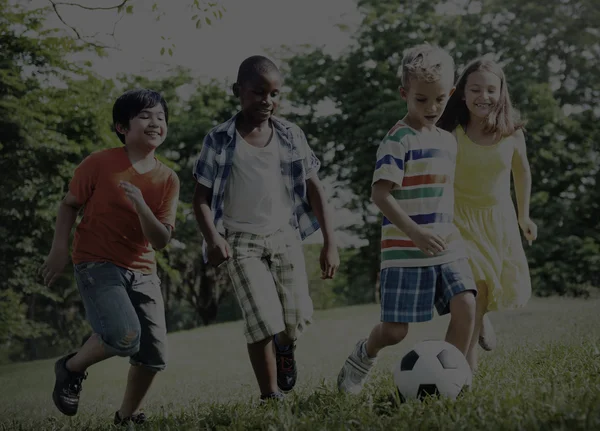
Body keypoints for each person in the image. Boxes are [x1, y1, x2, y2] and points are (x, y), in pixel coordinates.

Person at [192, 55, 340, 402]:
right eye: (259, 93)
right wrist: (213, 237)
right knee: (260, 318)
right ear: (238, 92)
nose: (267, 101)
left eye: (274, 94)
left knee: (295, 319)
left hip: (284, 235)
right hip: (240, 242)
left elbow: (315, 187)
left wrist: (330, 241)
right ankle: (270, 395)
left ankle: (285, 347)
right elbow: (200, 198)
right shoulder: (219, 139)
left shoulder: (290, 135)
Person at [337, 44, 477, 394]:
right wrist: (414, 233)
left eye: (439, 99)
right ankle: (362, 355)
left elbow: (445, 193)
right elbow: (380, 195)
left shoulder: (448, 141)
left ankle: (451, 380)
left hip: (446, 244)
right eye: (421, 100)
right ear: (405, 94)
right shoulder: (397, 140)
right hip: (405, 250)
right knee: (396, 331)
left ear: (452, 95)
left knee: (467, 305)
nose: (431, 108)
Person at [39, 89, 180, 425]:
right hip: (96, 264)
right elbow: (69, 204)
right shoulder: (100, 163)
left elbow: (160, 240)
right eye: (145, 116)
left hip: (143, 270)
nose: (155, 122)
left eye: (160, 117)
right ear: (122, 127)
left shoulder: (168, 179)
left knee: (154, 354)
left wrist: (142, 206)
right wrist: (59, 249)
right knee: (125, 336)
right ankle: (71, 367)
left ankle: (127, 417)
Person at [437, 57, 537, 372]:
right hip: (459, 222)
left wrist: (525, 217)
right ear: (462, 94)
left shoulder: (512, 134)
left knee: (484, 294)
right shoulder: (452, 133)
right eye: (476, 89)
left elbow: (522, 173)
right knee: (473, 291)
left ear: (501, 93)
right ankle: (463, 373)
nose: (484, 96)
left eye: (491, 90)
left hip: (498, 221)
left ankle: (480, 323)